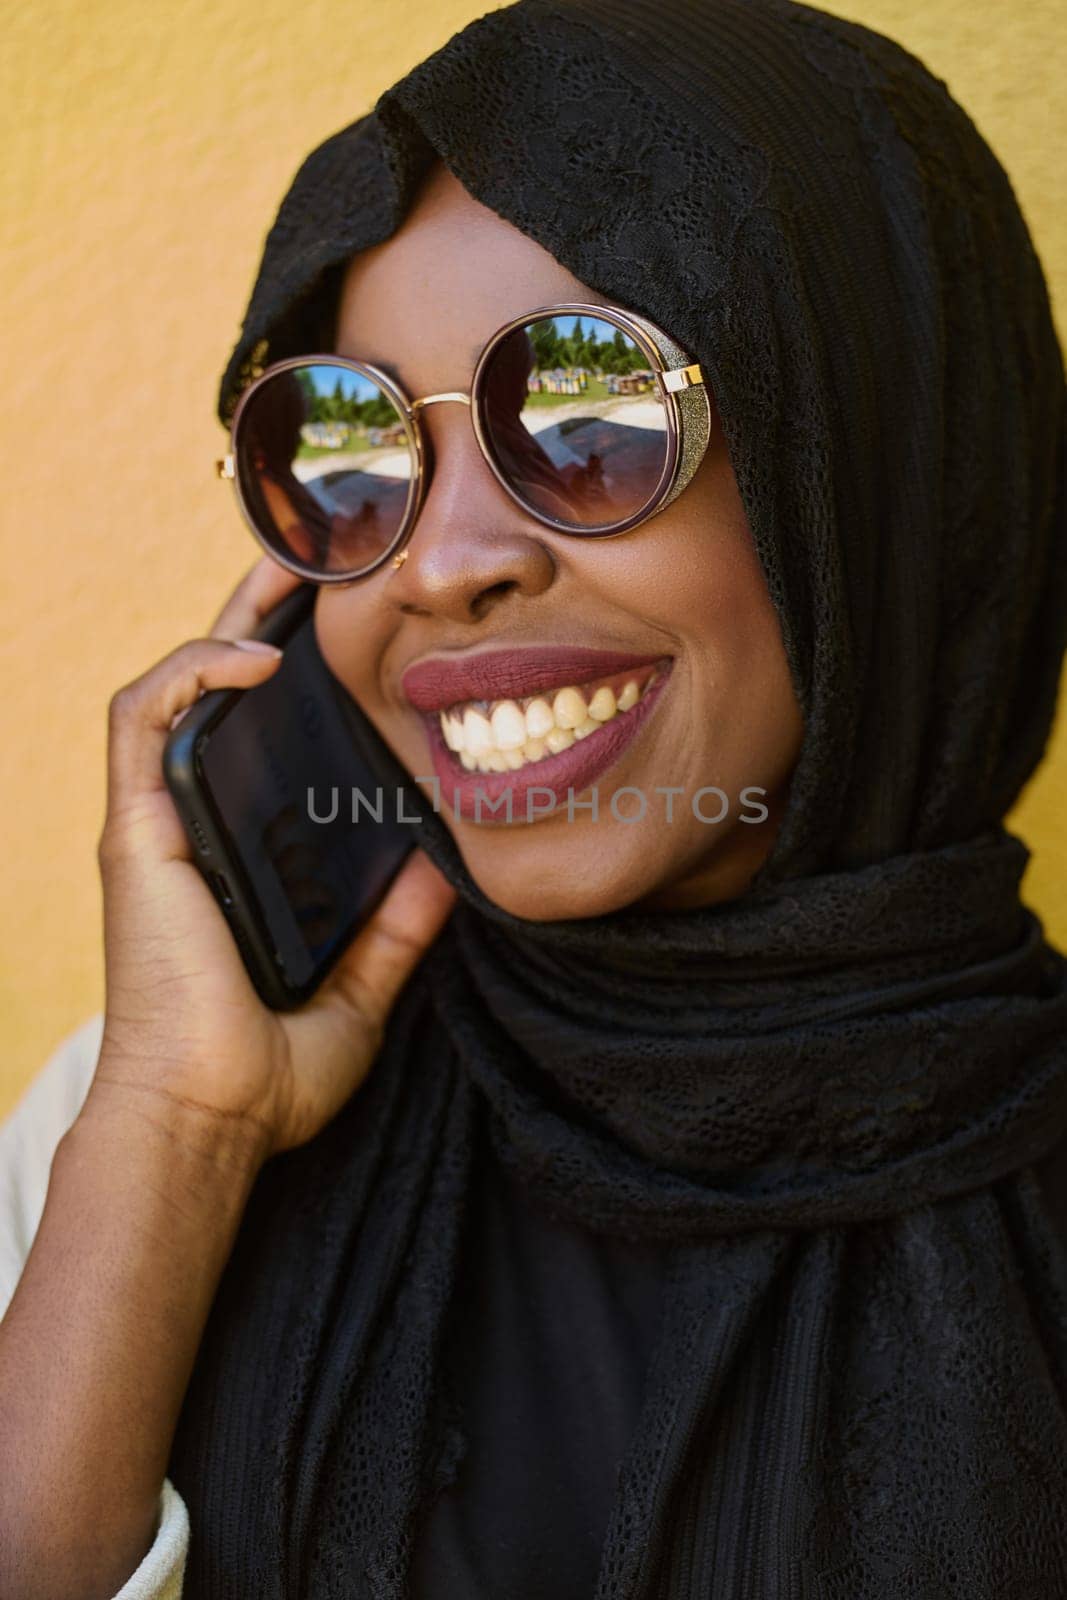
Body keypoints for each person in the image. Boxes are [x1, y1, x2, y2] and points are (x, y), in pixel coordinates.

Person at [3, 0, 1067, 1595]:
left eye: (590, 420)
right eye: (350, 448)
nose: (439, 564)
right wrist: (173, 1137)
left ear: (875, 466)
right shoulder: (148, 1122)